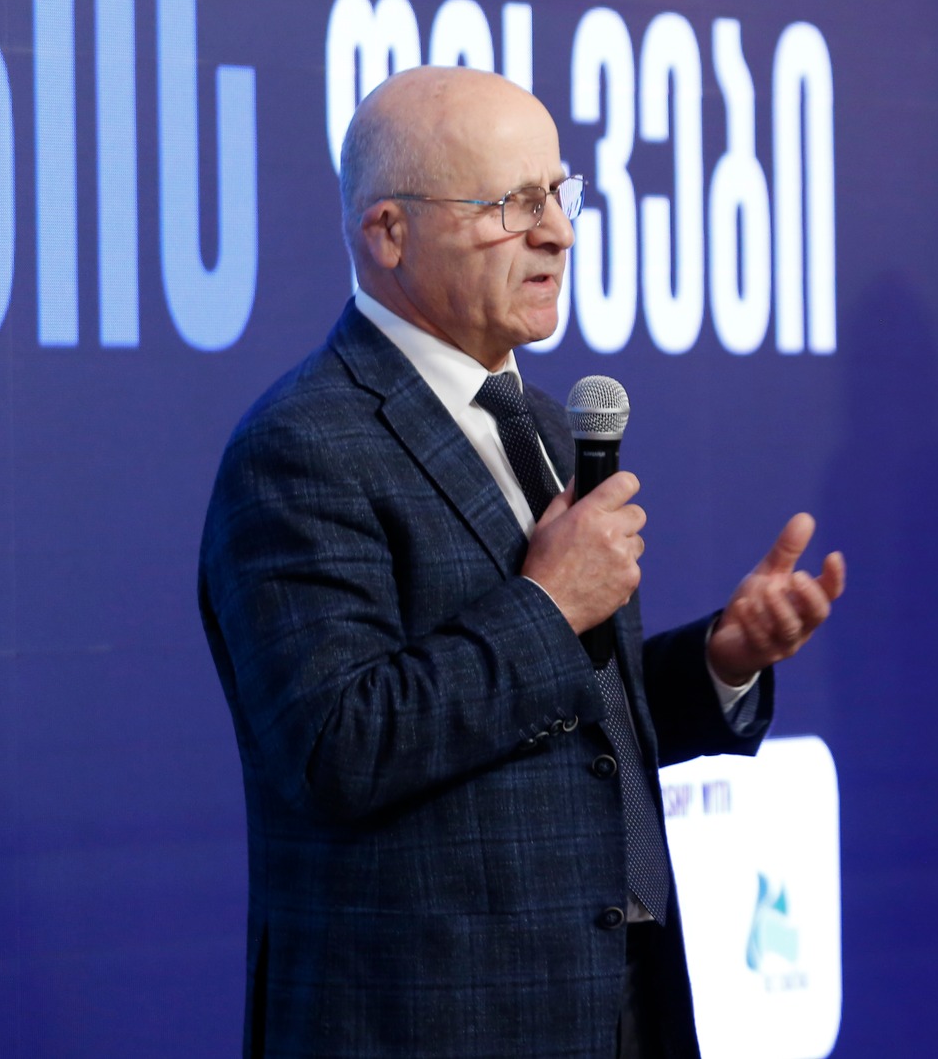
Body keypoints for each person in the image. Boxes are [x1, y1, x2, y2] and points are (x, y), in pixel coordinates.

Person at [199, 65, 846, 1058]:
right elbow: (337, 747)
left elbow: (568, 724)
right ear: (388, 232)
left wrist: (719, 660)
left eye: (556, 192)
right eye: (511, 203)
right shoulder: (301, 446)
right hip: (432, 1021)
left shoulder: (540, 420)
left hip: (619, 1000)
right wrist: (548, 603)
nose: (557, 233)